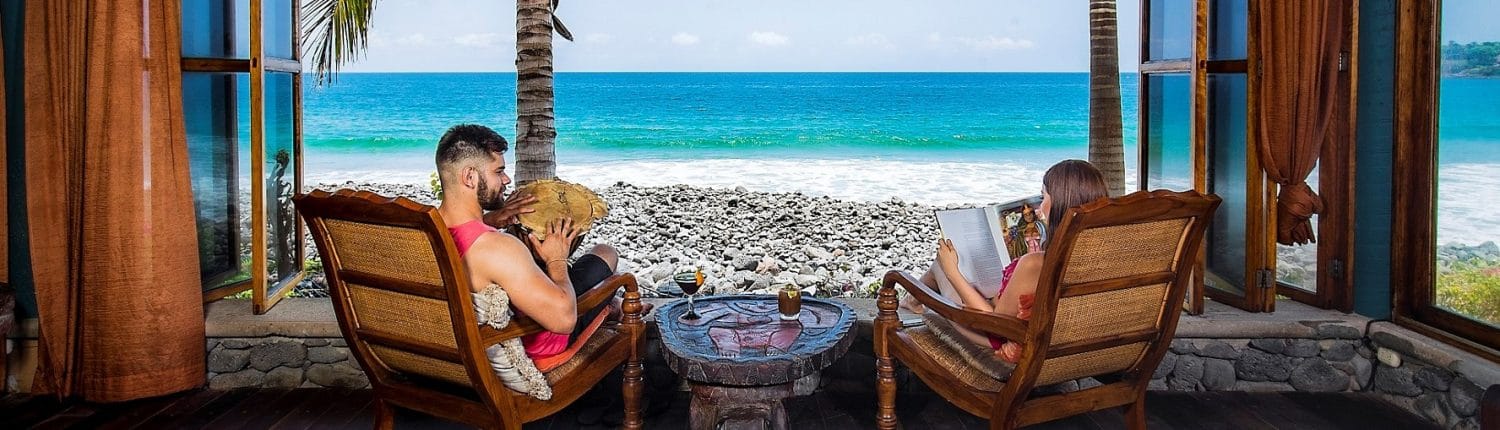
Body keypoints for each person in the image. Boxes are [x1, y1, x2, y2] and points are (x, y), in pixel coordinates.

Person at [434, 124, 621, 361]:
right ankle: (611, 303)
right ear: (469, 177)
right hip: (539, 344)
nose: (506, 179)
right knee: (605, 254)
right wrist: (557, 260)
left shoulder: (422, 231)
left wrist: (489, 220)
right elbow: (564, 320)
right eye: (498, 171)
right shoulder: (496, 248)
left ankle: (611, 301)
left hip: (455, 350)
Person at [903, 159, 1110, 362]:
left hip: (995, 336)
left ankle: (913, 299)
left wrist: (952, 272)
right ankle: (912, 300)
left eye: (1043, 196)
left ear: (1058, 203)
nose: (1038, 207)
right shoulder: (1104, 257)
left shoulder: (1037, 264)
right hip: (1064, 347)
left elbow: (994, 324)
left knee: (942, 264)